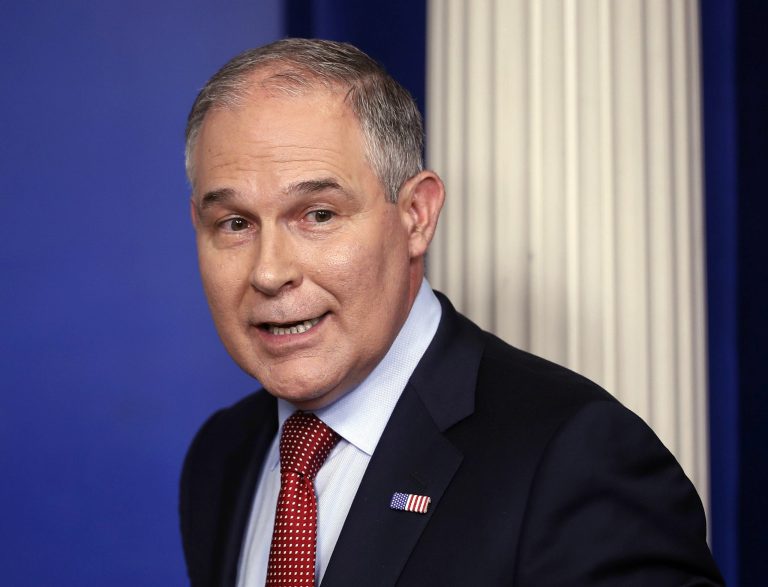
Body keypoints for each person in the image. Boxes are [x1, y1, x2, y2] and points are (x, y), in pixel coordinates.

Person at [179, 39, 723, 587]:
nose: (269, 272)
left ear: (416, 216)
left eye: (318, 215)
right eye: (235, 224)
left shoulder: (573, 460)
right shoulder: (221, 458)